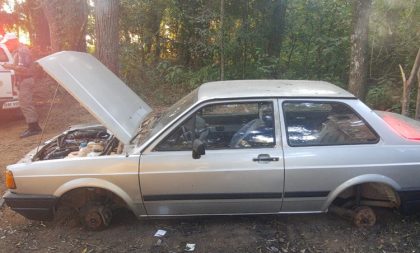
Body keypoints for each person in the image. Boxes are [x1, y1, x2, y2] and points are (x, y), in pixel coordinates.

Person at [1, 33, 42, 138]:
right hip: (25, 80)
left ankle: (34, 128)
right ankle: (33, 126)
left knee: (26, 104)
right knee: (25, 103)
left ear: (13, 41)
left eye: (8, 44)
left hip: (26, 80)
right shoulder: (20, 51)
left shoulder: (22, 51)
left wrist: (9, 66)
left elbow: (23, 68)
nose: (8, 46)